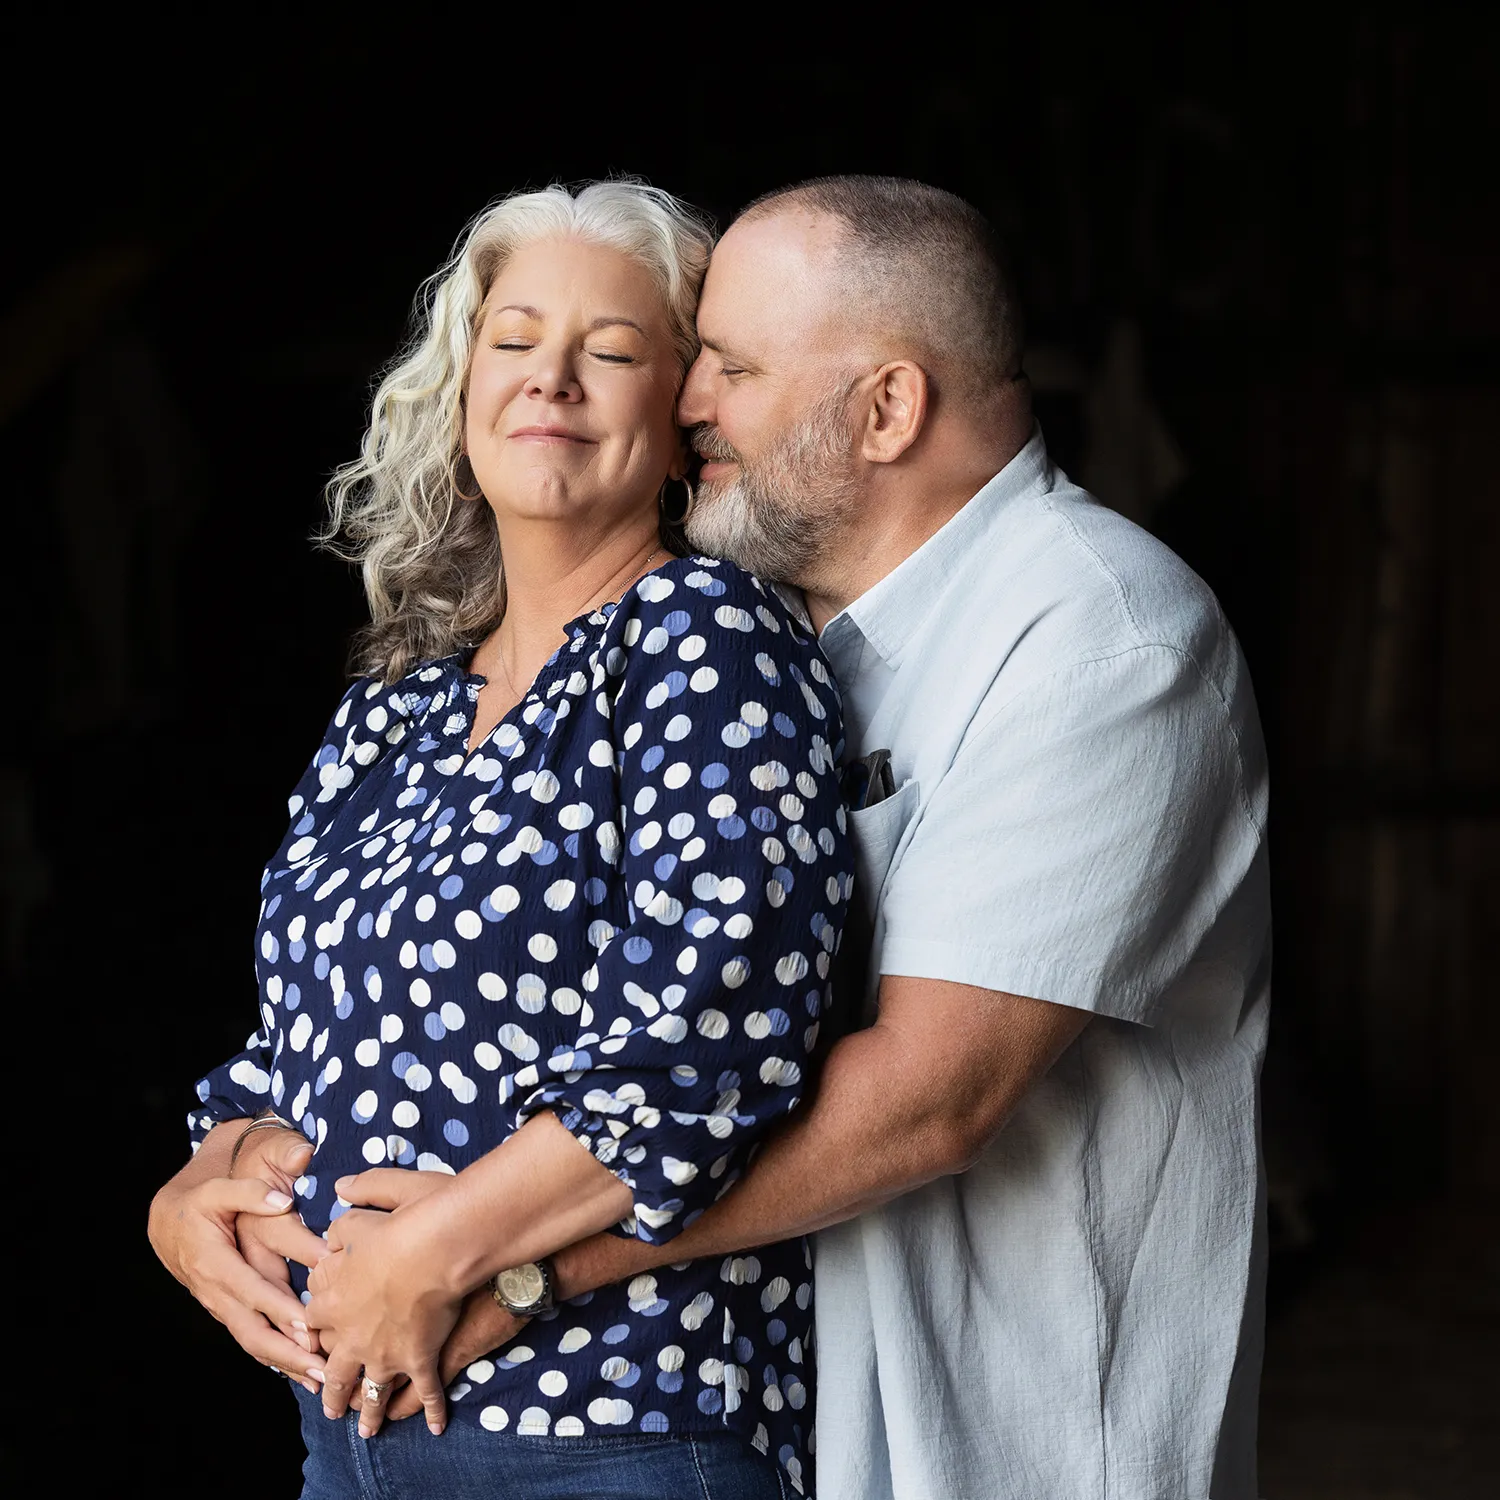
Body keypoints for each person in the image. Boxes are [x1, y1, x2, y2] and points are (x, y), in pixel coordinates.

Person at [348, 174, 1270, 1500]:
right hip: (814, 1427)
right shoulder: (783, 645)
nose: (691, 402)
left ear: (890, 407)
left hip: (1027, 1445)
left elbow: (926, 1101)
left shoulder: (1099, 640)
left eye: (730, 367)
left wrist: (509, 1264)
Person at [147, 179, 851, 1500]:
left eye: (615, 349)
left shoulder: (708, 647)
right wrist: (202, 1181)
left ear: (683, 413)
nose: (554, 379)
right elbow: (303, 1033)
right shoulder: (397, 704)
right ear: (463, 387)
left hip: (611, 1430)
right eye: (516, 340)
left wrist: (444, 1249)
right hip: (350, 1426)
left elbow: (706, 1048)